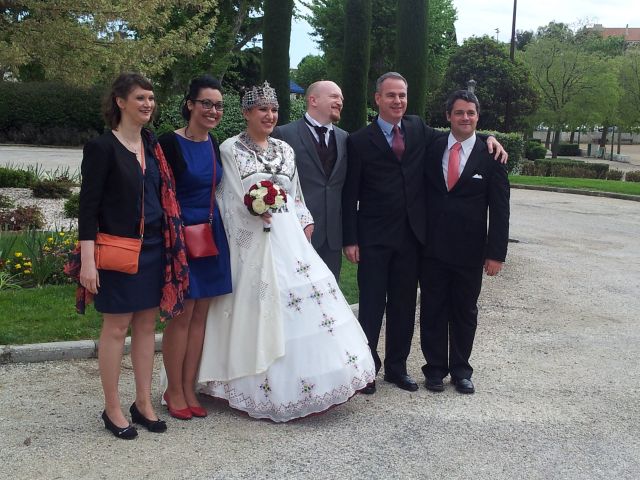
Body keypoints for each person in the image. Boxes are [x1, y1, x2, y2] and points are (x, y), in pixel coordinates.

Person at [196, 82, 375, 422]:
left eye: (274, 110)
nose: (269, 115)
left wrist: (304, 220)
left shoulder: (285, 148)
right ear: (247, 113)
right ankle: (243, 381)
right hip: (252, 237)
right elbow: (229, 196)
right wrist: (253, 211)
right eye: (262, 109)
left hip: (288, 235)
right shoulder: (231, 148)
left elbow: (295, 194)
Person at [342, 72, 507, 395]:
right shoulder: (359, 140)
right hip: (373, 238)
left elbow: (460, 132)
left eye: (402, 95)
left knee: (404, 307)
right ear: (377, 99)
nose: (397, 101)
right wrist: (351, 238)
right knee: (372, 306)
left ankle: (396, 368)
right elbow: (350, 195)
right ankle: (366, 368)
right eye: (391, 95)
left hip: (412, 239)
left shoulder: (418, 129)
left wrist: (488, 136)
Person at [77, 72, 189, 439]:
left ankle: (142, 403)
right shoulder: (101, 148)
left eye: (151, 98)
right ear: (120, 102)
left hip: (156, 249)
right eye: (140, 98)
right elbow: (88, 208)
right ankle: (111, 408)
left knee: (145, 327)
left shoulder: (152, 144)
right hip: (118, 252)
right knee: (115, 329)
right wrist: (88, 261)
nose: (148, 104)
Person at [420, 90, 510, 394]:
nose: (465, 118)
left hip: (470, 252)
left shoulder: (492, 155)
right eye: (459, 113)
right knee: (432, 310)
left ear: (477, 117)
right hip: (431, 249)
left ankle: (461, 370)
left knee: (464, 311)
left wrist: (496, 254)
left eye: (471, 113)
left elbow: (500, 209)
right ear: (448, 117)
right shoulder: (431, 146)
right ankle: (434, 369)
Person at [158, 75, 232, 420]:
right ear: (190, 104)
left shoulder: (214, 143)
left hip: (210, 235)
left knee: (201, 314)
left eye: (218, 105)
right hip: (180, 237)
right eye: (206, 103)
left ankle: (189, 386)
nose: (213, 110)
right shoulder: (167, 144)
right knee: (182, 316)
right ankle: (173, 389)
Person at [271, 80, 347, 279]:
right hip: (296, 231)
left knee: (331, 298)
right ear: (313, 100)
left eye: (341, 98)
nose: (340, 101)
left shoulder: (345, 138)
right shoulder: (283, 134)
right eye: (334, 96)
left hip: (332, 237)